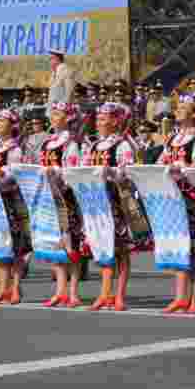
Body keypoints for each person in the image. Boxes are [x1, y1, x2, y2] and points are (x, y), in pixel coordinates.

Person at [157, 96, 195, 314]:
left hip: (191, 196)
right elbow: (160, 162)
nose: (179, 110)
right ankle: (179, 295)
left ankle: (194, 296)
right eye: (178, 107)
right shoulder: (172, 138)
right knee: (178, 244)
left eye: (184, 107)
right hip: (173, 197)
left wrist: (182, 168)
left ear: (194, 113)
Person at [82, 102, 146, 311]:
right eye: (98, 119)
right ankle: (104, 293)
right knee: (102, 245)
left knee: (120, 249)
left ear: (115, 121)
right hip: (97, 201)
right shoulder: (93, 145)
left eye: (103, 119)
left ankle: (119, 295)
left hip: (117, 200)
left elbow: (129, 172)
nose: (99, 123)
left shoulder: (123, 144)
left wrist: (112, 173)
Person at [0, 109, 32, 305]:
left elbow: (14, 173)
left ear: (12, 126)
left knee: (16, 246)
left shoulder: (15, 149)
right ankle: (2, 287)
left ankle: (16, 286)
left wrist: (0, 175)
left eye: (2, 121)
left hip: (11, 200)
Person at [38, 102, 85, 307]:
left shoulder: (71, 144)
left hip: (66, 198)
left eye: (57, 114)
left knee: (70, 245)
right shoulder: (47, 142)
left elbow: (73, 172)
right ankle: (60, 290)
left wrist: (56, 172)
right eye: (53, 113)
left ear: (68, 118)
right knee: (55, 243)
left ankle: (73, 292)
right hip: (48, 198)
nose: (53, 117)